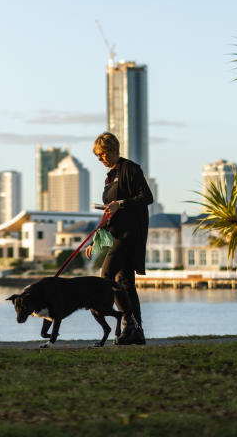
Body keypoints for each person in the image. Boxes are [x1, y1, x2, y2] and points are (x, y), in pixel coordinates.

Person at [84, 131, 152, 345]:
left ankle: (128, 322)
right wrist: (96, 240)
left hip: (130, 235)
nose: (100, 159)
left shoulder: (130, 169)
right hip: (116, 234)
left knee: (107, 275)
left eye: (102, 154)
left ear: (113, 150)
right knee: (125, 283)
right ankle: (137, 332)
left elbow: (146, 197)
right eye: (97, 156)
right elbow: (109, 213)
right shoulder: (109, 177)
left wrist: (121, 203)